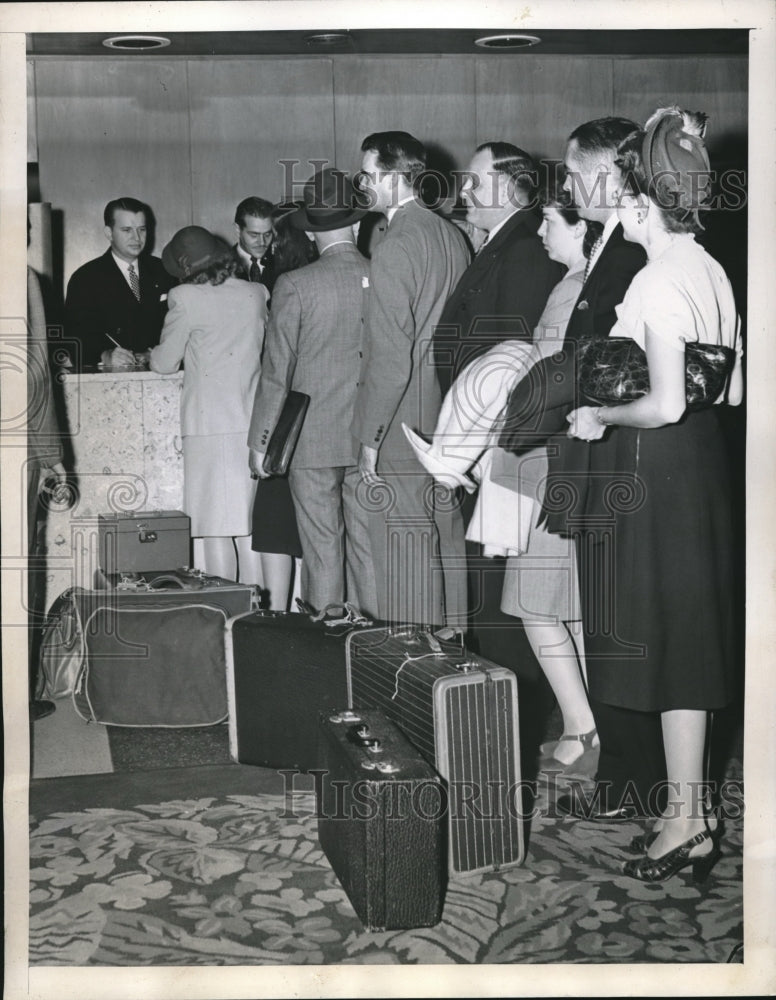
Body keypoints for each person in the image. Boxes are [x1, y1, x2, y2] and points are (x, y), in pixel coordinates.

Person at [564, 107, 742, 881]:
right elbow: (728, 394)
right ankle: (689, 814)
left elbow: (665, 403)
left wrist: (597, 413)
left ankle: (687, 818)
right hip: (701, 472)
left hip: (656, 472)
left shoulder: (656, 277)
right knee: (688, 650)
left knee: (665, 647)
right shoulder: (711, 268)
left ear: (641, 201)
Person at [501, 116, 664, 821]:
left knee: (579, 615)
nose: (563, 192)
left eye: (570, 177)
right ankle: (606, 753)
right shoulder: (605, 261)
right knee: (581, 615)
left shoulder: (629, 260)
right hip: (578, 458)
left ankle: (609, 754)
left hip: (598, 460)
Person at [407, 193, 602, 772]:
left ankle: (584, 729)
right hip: (546, 457)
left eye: (551, 220)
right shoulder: (574, 282)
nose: (542, 230)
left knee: (535, 603)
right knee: (560, 606)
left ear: (580, 226)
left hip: (541, 460)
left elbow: (548, 376)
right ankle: (588, 726)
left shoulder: (573, 290)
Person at [433, 141, 565, 657]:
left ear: (510, 188)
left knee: (498, 576)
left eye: (474, 180)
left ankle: (509, 706)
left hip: (496, 440)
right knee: (486, 572)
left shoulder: (526, 248)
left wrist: (483, 443)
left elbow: (515, 359)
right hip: (481, 437)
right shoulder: (500, 242)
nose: (463, 189)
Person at [352, 130, 470, 626]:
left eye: (368, 174)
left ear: (394, 179)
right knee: (447, 538)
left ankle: (417, 676)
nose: (363, 184)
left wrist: (370, 437)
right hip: (447, 414)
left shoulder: (395, 244)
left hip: (402, 422)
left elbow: (389, 355)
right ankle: (460, 663)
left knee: (405, 553)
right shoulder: (451, 235)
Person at [248, 168, 378, 617]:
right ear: (358, 225)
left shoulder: (295, 286)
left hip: (313, 441)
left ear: (310, 232)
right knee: (366, 549)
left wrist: (261, 443)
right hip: (369, 438)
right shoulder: (382, 276)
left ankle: (328, 646)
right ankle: (370, 651)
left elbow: (275, 373)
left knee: (323, 547)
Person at [149, 227, 268, 590]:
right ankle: (256, 624)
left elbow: (164, 363)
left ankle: (225, 617)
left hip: (208, 426)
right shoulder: (256, 292)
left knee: (215, 531)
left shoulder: (185, 297)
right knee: (249, 531)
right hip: (251, 422)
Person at [64, 197, 175, 369]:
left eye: (142, 229)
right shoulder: (85, 278)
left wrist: (156, 352)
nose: (136, 237)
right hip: (110, 380)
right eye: (126, 230)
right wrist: (104, 355)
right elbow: (74, 337)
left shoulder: (164, 270)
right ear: (109, 233)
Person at [27, 264, 68, 721]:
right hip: (12, 449)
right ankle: (16, 692)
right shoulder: (20, 280)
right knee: (18, 572)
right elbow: (34, 377)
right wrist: (53, 457)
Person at [233, 197, 276, 291]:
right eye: (254, 235)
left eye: (267, 234)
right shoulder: (222, 265)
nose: (262, 242)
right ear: (238, 229)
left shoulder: (282, 264)